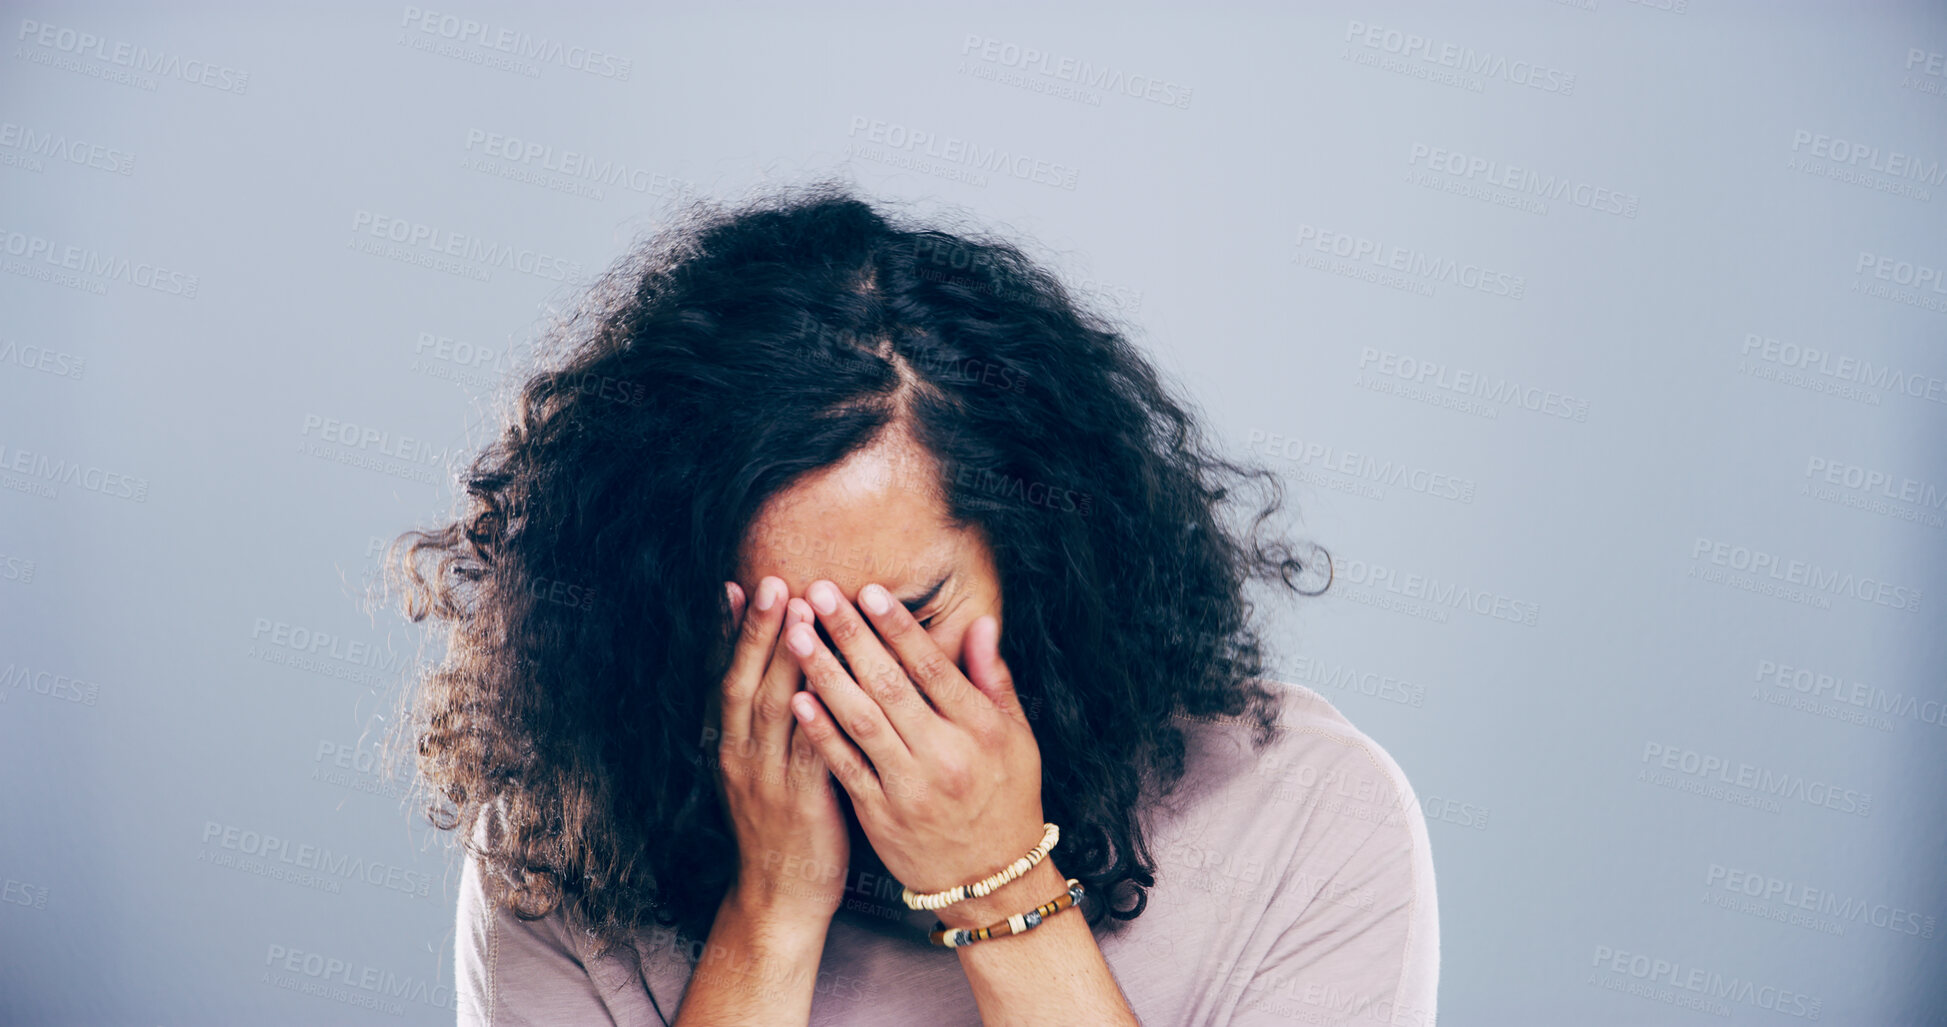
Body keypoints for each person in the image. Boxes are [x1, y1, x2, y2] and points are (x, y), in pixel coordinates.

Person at [382, 181, 1439, 1025]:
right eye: (765, 634)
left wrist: (999, 887)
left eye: (906, 619)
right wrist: (768, 923)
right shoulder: (566, 849)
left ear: (1043, 559)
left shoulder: (1310, 817)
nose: (842, 701)